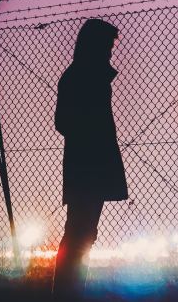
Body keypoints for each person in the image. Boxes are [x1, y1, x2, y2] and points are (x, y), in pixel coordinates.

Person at [52, 19, 127, 297]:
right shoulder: (83, 77)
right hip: (89, 167)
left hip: (87, 166)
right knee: (79, 234)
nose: (110, 53)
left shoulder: (83, 76)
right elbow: (64, 122)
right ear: (94, 46)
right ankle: (67, 293)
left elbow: (65, 122)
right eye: (107, 47)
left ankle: (69, 292)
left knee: (82, 234)